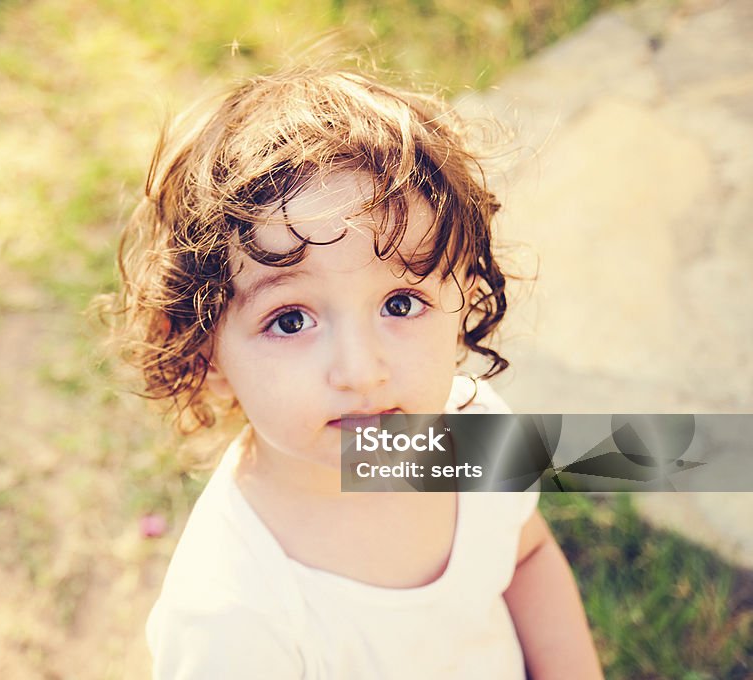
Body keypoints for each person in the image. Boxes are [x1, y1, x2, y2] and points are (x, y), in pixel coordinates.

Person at [109, 66, 603, 679]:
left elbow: (524, 557)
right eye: (291, 320)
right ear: (205, 355)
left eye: (400, 304)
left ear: (463, 304)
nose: (361, 370)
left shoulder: (468, 436)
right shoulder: (230, 617)